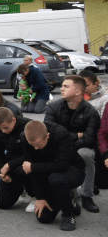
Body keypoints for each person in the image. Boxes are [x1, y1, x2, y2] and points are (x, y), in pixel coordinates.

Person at [43, 75, 100, 214]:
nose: (61, 88)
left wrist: (68, 146)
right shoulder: (53, 107)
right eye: (62, 86)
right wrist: (75, 135)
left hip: (80, 147)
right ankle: (63, 193)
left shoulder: (91, 112)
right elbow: (48, 132)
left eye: (66, 86)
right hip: (59, 146)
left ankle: (87, 196)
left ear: (78, 92)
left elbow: (89, 138)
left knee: (86, 154)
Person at [20, 120, 85, 231]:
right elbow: (29, 168)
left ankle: (68, 215)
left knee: (56, 179)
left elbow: (61, 166)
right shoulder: (25, 137)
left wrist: (33, 167)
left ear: (48, 136)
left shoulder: (61, 135)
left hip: (72, 170)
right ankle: (69, 201)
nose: (36, 149)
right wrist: (40, 197)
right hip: (48, 173)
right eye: (33, 146)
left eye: (39, 145)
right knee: (44, 217)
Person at [0, 106, 35, 211]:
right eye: (0, 128)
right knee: (3, 203)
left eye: (6, 127)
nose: (3, 131)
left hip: (30, 161)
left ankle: (35, 195)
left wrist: (9, 165)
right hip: (12, 162)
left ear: (14, 120)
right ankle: (21, 188)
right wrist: (1, 173)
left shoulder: (28, 126)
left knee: (22, 169)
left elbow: (34, 153)